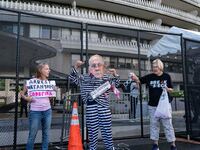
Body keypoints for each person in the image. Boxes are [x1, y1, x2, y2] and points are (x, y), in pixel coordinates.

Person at [69, 54, 120, 150]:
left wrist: (115, 74)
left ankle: (110, 148)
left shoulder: (107, 78)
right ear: (89, 68)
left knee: (107, 132)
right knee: (92, 132)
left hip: (104, 108)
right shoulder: (84, 78)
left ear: (103, 67)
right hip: (91, 107)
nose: (96, 67)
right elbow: (72, 78)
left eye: (99, 65)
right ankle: (92, 148)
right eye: (93, 65)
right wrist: (76, 66)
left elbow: (116, 83)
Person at [131, 59, 177, 150]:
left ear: (160, 67)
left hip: (164, 106)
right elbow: (139, 80)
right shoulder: (150, 77)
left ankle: (173, 145)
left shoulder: (167, 76)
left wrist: (168, 89)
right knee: (154, 125)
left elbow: (172, 90)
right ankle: (155, 145)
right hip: (153, 106)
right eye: (153, 67)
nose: (154, 68)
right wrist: (134, 77)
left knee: (168, 125)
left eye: (156, 66)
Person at [21, 63, 53, 150]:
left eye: (48, 69)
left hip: (47, 111)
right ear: (40, 70)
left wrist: (52, 92)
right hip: (35, 112)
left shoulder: (48, 83)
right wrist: (28, 98)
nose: (49, 70)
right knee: (32, 134)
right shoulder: (31, 82)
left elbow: (49, 98)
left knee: (46, 134)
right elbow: (22, 94)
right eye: (46, 69)